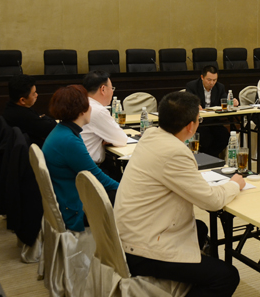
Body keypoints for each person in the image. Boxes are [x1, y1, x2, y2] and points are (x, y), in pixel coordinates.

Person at [115, 92, 245, 297]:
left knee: (199, 229)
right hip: (141, 248)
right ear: (190, 126)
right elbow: (213, 202)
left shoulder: (150, 135)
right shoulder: (175, 152)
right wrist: (235, 185)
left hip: (129, 232)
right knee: (226, 276)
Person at [42, 85, 119, 232]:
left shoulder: (62, 130)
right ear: (82, 110)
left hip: (66, 197)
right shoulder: (69, 140)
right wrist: (125, 190)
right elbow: (96, 177)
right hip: (74, 209)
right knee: (128, 199)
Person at [185, 65, 238, 157]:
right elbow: (188, 101)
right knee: (205, 137)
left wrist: (233, 102)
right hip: (199, 122)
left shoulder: (219, 87)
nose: (212, 83)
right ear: (202, 77)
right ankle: (207, 157)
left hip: (213, 121)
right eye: (209, 80)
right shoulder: (192, 86)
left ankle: (211, 156)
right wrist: (195, 105)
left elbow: (225, 100)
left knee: (224, 135)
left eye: (214, 80)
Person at [80, 71, 128, 166]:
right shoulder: (98, 110)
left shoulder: (81, 104)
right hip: (89, 168)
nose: (112, 92)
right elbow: (122, 140)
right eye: (112, 88)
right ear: (103, 89)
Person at [1, 74, 56, 147]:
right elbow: (51, 128)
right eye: (33, 94)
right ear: (22, 100)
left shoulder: (11, 107)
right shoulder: (23, 115)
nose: (37, 95)